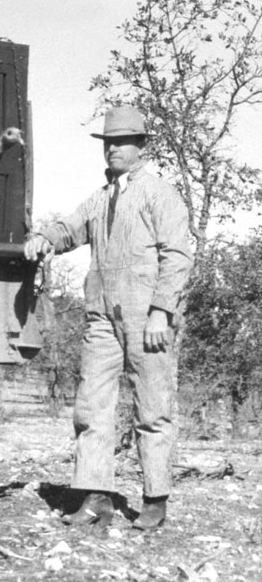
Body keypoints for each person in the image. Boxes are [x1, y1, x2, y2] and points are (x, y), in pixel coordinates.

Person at [23, 104, 193, 530]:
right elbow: (70, 228)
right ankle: (95, 497)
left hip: (146, 316)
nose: (113, 149)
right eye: (108, 142)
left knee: (152, 409)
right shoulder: (99, 199)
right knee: (91, 406)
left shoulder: (159, 192)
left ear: (141, 146)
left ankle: (155, 500)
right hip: (101, 317)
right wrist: (45, 237)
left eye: (123, 141)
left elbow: (177, 257)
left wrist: (161, 311)